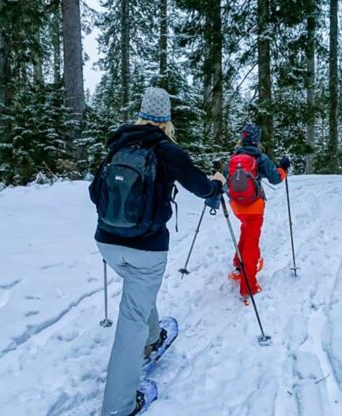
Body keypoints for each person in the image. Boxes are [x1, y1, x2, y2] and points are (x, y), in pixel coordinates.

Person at [89, 87, 225, 415]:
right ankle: (119, 406)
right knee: (132, 317)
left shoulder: (118, 144)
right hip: (146, 249)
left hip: (107, 243)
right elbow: (202, 187)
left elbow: (95, 193)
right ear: (165, 118)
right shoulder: (167, 150)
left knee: (138, 293)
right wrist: (217, 182)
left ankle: (152, 338)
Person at [225, 124, 291, 304]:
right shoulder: (259, 157)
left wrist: (235, 197)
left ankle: (238, 265)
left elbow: (225, 181)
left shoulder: (234, 157)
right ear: (257, 139)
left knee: (245, 231)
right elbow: (276, 179)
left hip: (236, 206)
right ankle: (249, 286)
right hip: (254, 206)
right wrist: (283, 168)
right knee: (252, 242)